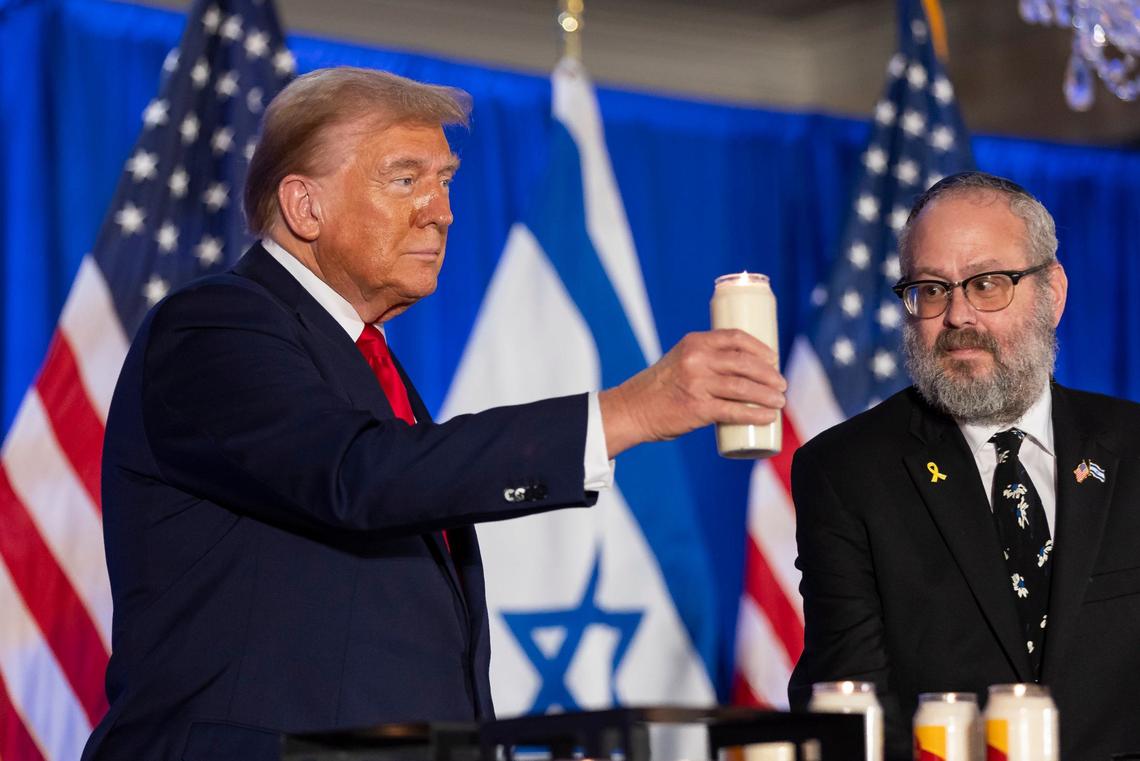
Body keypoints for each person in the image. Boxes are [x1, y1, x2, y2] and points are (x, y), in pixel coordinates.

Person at [81, 67, 786, 761]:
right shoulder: (211, 326)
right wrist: (629, 411)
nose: (442, 209)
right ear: (304, 206)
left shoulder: (370, 366)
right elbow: (355, 473)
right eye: (406, 178)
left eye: (445, 179)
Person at [788, 171, 1140, 760]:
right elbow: (854, 715)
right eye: (930, 289)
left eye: (986, 284)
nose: (957, 317)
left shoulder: (1133, 449)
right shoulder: (844, 473)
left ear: (1052, 293)